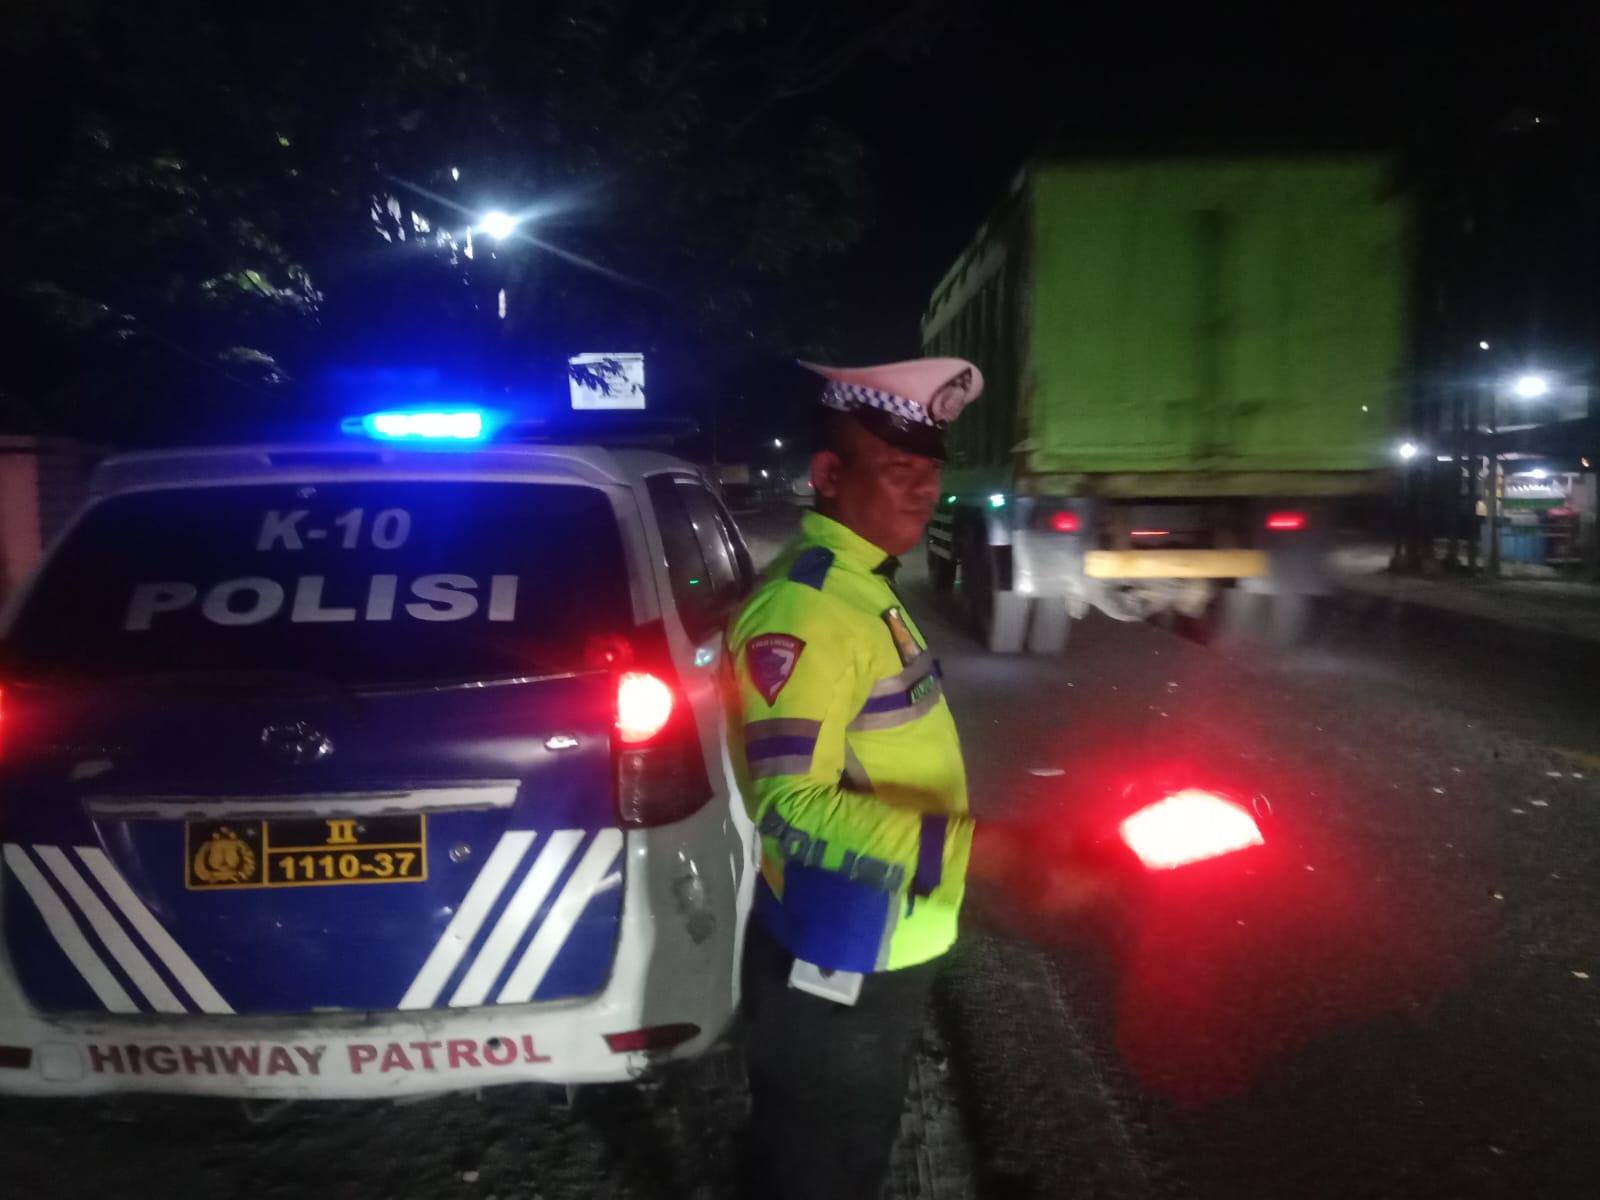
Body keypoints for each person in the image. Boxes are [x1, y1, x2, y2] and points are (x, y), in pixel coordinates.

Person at [728, 357, 1076, 1200]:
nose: (923, 488)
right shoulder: (808, 610)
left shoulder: (862, 586)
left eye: (929, 468)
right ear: (828, 475)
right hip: (839, 952)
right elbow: (789, 808)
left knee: (849, 1150)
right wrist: (981, 852)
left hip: (884, 940)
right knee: (819, 1170)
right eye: (896, 467)